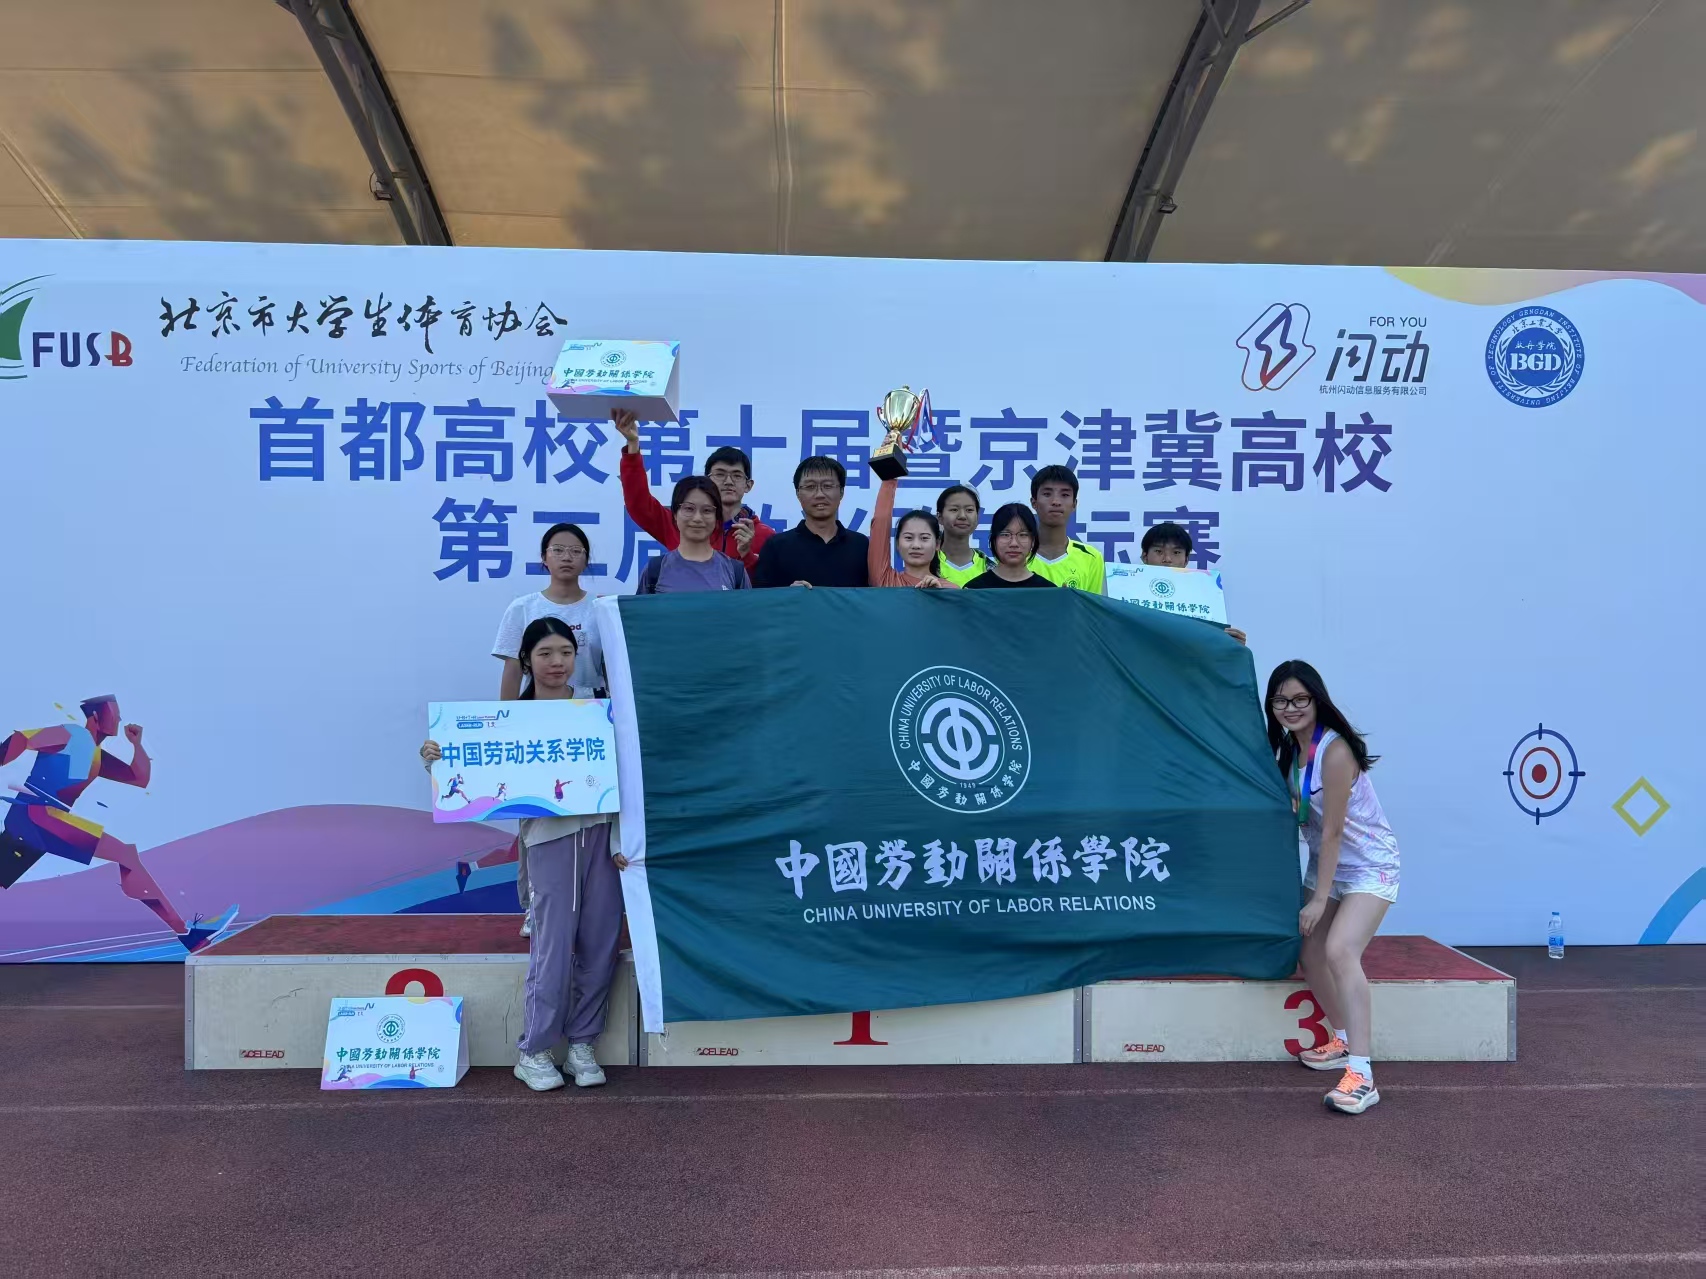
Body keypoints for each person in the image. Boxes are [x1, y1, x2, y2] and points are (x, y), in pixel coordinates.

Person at [422, 617, 628, 1091]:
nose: (557, 663)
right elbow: (468, 773)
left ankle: (582, 1044)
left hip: (603, 838)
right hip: (548, 842)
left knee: (601, 946)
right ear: (527, 661)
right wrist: (436, 757)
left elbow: (626, 777)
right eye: (545, 654)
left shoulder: (599, 710)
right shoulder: (509, 719)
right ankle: (533, 1051)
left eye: (566, 653)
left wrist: (624, 841)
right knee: (552, 948)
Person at [1266, 659, 1401, 1116]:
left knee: (1340, 951)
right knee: (1309, 954)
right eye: (1281, 700)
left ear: (1316, 699)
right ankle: (1342, 1041)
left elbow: (1333, 832)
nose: (1290, 708)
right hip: (1329, 865)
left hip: (1369, 866)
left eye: (1299, 698)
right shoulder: (1288, 749)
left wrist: (1320, 899)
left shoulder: (1335, 750)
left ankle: (1363, 1077)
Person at [1, 696, 236, 952]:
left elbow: (138, 778)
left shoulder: (96, 755)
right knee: (125, 855)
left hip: (36, 820)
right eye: (114, 713)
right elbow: (22, 739)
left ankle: (188, 934)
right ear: (95, 716)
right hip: (38, 815)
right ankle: (188, 934)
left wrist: (136, 744)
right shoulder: (71, 734)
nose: (120, 719)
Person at [614, 408, 773, 572]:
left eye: (737, 475)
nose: (728, 481)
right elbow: (639, 504)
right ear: (707, 481)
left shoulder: (765, 536)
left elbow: (770, 584)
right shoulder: (683, 524)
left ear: (748, 485)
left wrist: (747, 556)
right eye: (720, 474)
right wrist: (633, 445)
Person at [493, 523, 606, 699]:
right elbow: (513, 670)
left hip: (592, 707)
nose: (567, 557)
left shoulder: (602, 608)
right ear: (544, 558)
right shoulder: (522, 608)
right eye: (558, 550)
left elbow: (613, 669)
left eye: (576, 551)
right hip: (538, 708)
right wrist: (509, 714)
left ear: (586, 560)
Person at [750, 456, 870, 588]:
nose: (819, 494)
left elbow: (874, 595)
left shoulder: (861, 545)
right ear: (798, 493)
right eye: (810, 487)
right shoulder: (776, 547)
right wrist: (787, 594)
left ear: (841, 492)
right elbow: (761, 597)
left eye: (827, 486)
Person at [636, 476, 752, 593]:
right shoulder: (655, 571)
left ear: (716, 517)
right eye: (689, 509)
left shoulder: (735, 571)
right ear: (675, 514)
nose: (697, 518)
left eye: (707, 510)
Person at [1141, 521, 1248, 645]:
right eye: (1159, 551)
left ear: (1186, 560)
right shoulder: (1124, 593)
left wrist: (1232, 646)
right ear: (1145, 557)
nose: (1167, 559)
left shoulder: (1204, 597)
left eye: (1176, 552)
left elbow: (1206, 643)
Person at [866, 475, 956, 589]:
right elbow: (880, 523)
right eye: (908, 538)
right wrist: (890, 477)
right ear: (898, 543)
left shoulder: (951, 589)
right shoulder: (886, 581)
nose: (916, 545)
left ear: (937, 544)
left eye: (924, 538)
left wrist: (940, 594)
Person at [1028, 464, 1105, 592]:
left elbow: (1092, 604)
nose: (1056, 502)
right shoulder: (1016, 554)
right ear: (1033, 503)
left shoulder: (1091, 557)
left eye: (1064, 495)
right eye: (1047, 494)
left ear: (1074, 504)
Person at [964, 504, 1057, 589]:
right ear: (994, 539)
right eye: (1005, 534)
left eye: (1022, 535)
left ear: (1033, 541)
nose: (1014, 543)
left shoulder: (1048, 591)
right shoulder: (974, 589)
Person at [935, 484, 990, 586]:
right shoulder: (927, 564)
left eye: (969, 510)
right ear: (939, 517)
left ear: (977, 517)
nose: (962, 516)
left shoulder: (990, 568)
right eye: (954, 510)